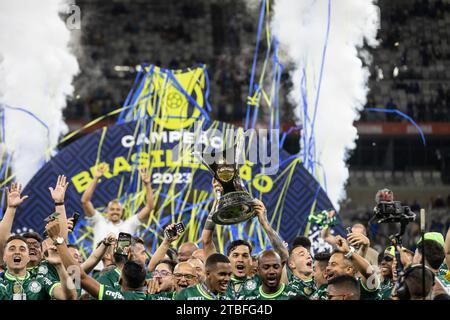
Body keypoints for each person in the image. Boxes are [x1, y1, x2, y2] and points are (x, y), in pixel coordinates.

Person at [45, 219, 147, 300]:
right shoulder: (153, 294)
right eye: (74, 256)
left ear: (120, 280)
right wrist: (105, 243)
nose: (79, 258)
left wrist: (58, 240)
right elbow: (91, 261)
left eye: (78, 256)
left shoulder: (114, 295)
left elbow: (71, 294)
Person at [81, 166, 154, 267]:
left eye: (118, 209)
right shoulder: (99, 221)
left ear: (122, 212)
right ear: (107, 211)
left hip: (122, 270)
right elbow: (85, 201)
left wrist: (147, 184)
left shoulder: (130, 224)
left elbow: (149, 207)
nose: (115, 212)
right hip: (99, 268)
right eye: (112, 209)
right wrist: (96, 178)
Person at [0, 235, 77, 300]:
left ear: (28, 257)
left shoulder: (42, 279)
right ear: (4, 257)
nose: (17, 252)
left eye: (22, 249)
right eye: (12, 249)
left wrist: (59, 266)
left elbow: (70, 297)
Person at [327, 235, 380, 300]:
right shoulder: (327, 288)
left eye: (333, 264)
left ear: (349, 269)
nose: (327, 268)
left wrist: (348, 252)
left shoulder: (361, 287)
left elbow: (370, 275)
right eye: (328, 264)